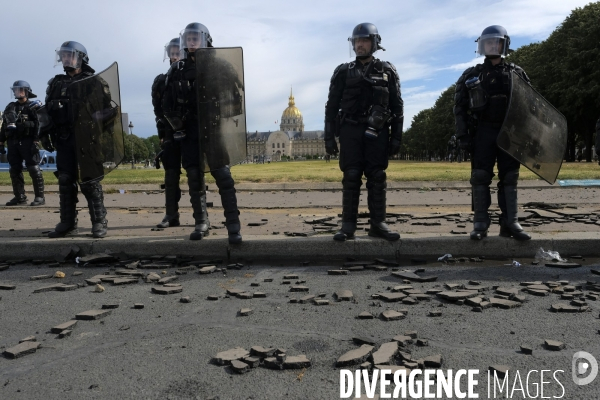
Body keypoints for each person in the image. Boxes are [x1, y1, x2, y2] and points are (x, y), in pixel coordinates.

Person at [162, 23, 242, 243]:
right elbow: (166, 104)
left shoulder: (220, 67)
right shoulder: (176, 71)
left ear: (205, 39)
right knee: (194, 178)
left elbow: (236, 100)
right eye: (188, 38)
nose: (191, 42)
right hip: (188, 133)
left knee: (223, 176)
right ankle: (201, 222)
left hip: (213, 131)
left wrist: (217, 109)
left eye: (195, 38)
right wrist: (177, 124)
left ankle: (233, 226)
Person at [324, 23, 403, 241]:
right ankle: (348, 225)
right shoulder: (342, 72)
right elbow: (331, 107)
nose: (359, 45)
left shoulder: (388, 71)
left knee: (377, 177)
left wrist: (397, 137)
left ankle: (378, 223)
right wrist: (329, 137)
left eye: (364, 40)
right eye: (357, 41)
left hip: (377, 132)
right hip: (350, 129)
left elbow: (397, 107)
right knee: (351, 176)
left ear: (374, 43)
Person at [454, 25, 531, 241]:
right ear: (482, 45)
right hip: (483, 131)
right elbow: (459, 108)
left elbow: (529, 108)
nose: (491, 46)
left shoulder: (517, 73)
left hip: (510, 132)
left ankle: (511, 222)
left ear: (503, 44)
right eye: (487, 42)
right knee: (480, 177)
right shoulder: (471, 75)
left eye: (495, 42)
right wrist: (463, 136)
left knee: (510, 177)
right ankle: (480, 222)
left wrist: (526, 136)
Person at [42, 41, 111, 238]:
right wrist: (44, 133)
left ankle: (99, 221)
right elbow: (47, 112)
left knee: (90, 181)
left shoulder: (94, 81)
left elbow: (108, 111)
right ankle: (67, 222)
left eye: (70, 55)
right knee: (65, 180)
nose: (66, 59)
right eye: (63, 55)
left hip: (87, 140)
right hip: (64, 139)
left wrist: (96, 130)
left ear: (81, 58)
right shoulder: (56, 83)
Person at [152, 37, 205, 229]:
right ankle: (171, 215)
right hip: (170, 132)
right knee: (170, 174)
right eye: (172, 53)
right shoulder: (161, 80)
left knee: (194, 172)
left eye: (177, 53)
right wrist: (162, 134)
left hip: (190, 130)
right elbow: (158, 111)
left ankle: (201, 217)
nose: (174, 57)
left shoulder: (193, 74)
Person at [0, 81, 45, 206]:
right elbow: (4, 126)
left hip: (28, 141)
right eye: (15, 90)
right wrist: (1, 141)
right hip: (13, 142)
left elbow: (39, 125)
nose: (17, 92)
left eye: (20, 90)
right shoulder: (10, 107)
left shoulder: (33, 107)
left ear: (27, 91)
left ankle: (40, 197)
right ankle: (19, 197)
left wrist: (36, 141)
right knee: (14, 169)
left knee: (33, 168)